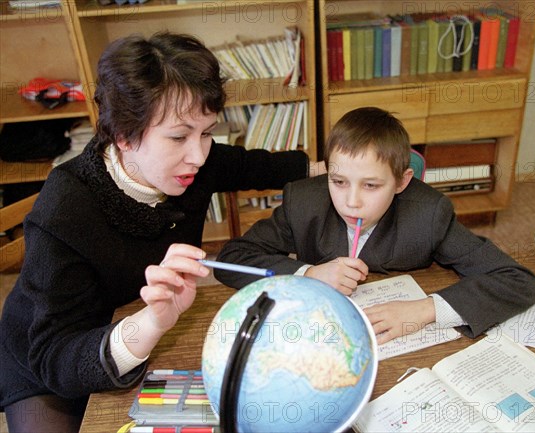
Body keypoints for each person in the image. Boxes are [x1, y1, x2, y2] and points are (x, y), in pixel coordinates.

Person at [0, 32, 323, 433]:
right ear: (123, 135)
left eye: (206, 132)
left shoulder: (196, 163)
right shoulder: (64, 209)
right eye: (178, 136)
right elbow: (54, 357)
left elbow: (249, 165)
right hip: (49, 359)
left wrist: (331, 171)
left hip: (146, 326)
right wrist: (149, 323)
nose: (199, 154)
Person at [215, 106, 535, 344]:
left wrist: (425, 310)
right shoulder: (304, 202)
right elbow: (231, 259)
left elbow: (517, 281)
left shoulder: (429, 214)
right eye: (338, 181)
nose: (351, 201)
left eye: (371, 185)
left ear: (401, 181)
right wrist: (308, 274)